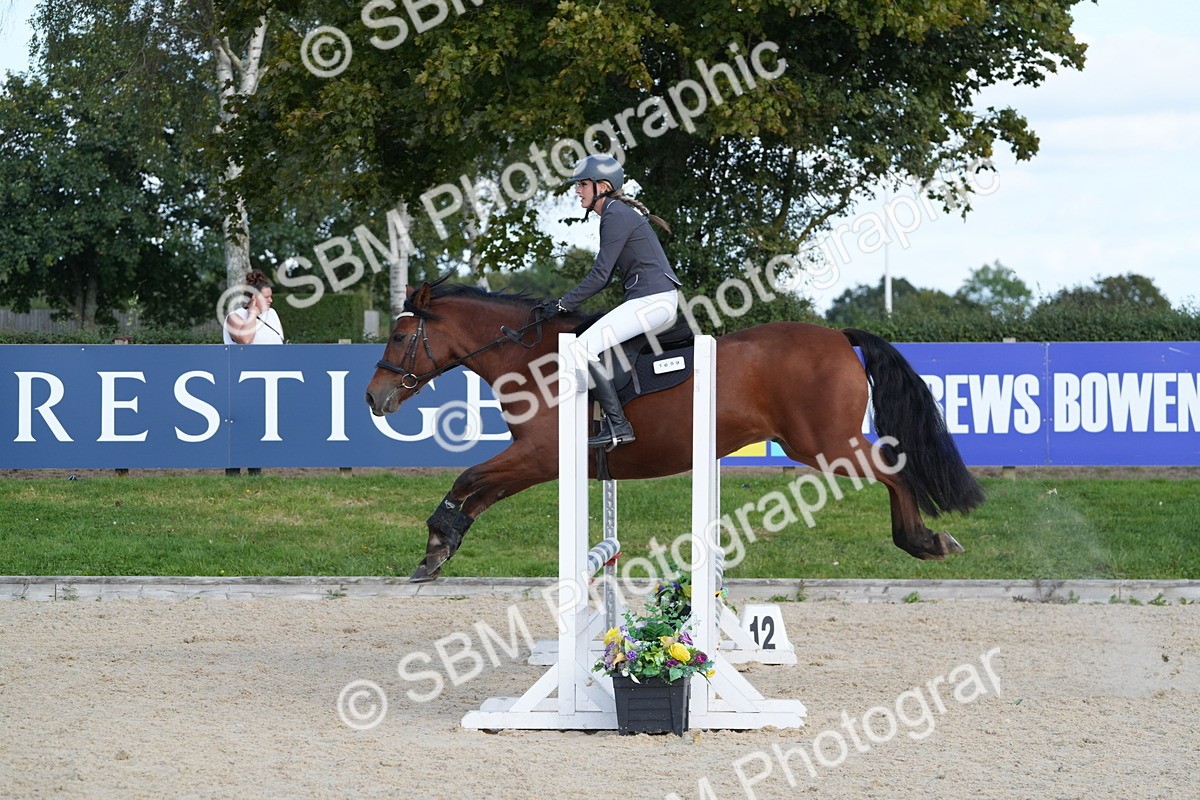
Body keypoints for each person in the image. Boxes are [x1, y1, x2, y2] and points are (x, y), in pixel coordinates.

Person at [546, 154, 683, 449]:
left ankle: (618, 426)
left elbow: (600, 276)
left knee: (581, 348)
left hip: (653, 301)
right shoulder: (615, 212)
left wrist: (562, 305)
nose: (577, 191)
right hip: (652, 299)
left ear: (602, 186)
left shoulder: (615, 214)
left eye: (582, 184)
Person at [223, 270, 285, 345]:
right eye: (266, 297)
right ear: (254, 297)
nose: (271, 300)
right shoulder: (235, 316)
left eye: (270, 296)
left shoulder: (272, 313)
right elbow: (245, 340)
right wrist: (252, 314)